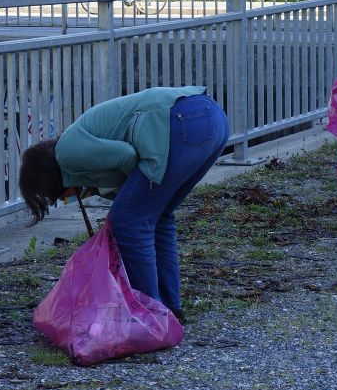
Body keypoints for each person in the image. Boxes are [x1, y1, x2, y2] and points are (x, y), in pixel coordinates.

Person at [18, 87, 229, 323]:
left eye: (51, 196)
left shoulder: (66, 152)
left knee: (128, 220)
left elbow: (126, 155)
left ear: (47, 179)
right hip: (211, 118)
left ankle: (148, 313)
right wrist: (137, 194)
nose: (59, 199)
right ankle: (170, 310)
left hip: (180, 122)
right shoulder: (79, 152)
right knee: (158, 216)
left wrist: (136, 192)